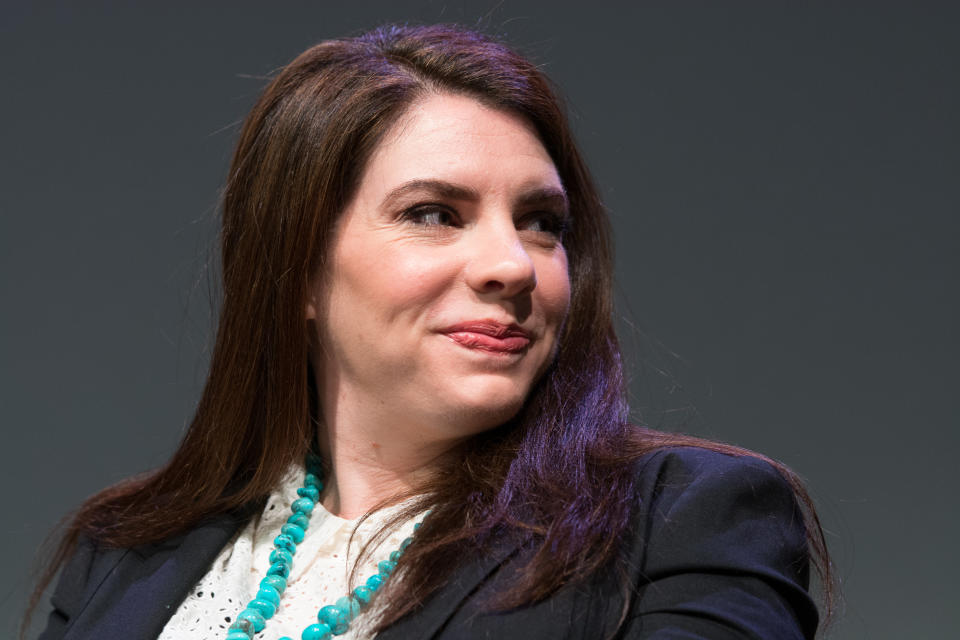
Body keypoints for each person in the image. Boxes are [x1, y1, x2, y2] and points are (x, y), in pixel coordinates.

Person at [29, 23, 832, 640]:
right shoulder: (125, 550)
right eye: (434, 214)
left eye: (542, 223)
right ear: (298, 266)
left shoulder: (683, 522)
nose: (512, 265)